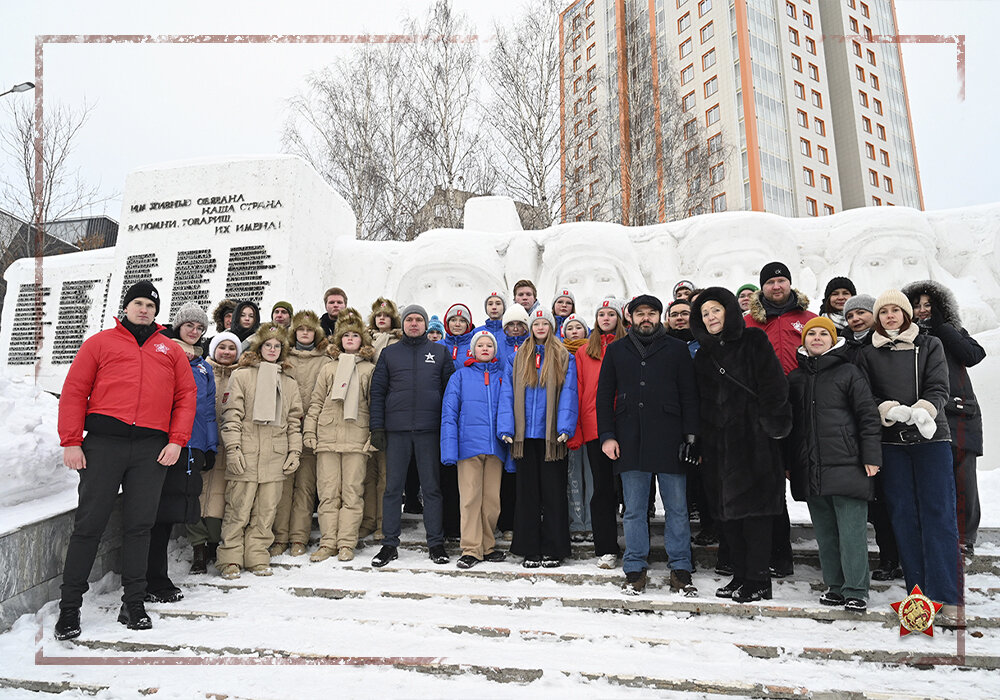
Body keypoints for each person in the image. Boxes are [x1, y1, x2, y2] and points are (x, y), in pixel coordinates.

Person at [55, 281, 197, 640]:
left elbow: (186, 397)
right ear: (126, 306)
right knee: (89, 524)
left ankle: (134, 602)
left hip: (151, 449)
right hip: (104, 445)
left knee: (140, 526)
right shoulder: (100, 343)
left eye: (151, 304)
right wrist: (71, 441)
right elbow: (74, 392)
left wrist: (177, 441)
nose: (144, 309)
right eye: (138, 303)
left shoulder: (170, 350)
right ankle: (69, 608)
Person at [856, 290, 961, 609]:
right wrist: (887, 408)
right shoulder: (866, 353)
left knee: (939, 512)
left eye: (895, 310)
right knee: (903, 514)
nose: (889, 316)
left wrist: (923, 409)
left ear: (906, 314)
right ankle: (918, 591)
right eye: (883, 311)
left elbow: (940, 386)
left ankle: (945, 591)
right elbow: (865, 394)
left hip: (931, 438)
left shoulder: (930, 344)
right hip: (892, 443)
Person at [690, 287, 792, 604]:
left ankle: (759, 578)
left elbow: (775, 385)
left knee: (755, 515)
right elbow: (701, 403)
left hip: (754, 442)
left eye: (715, 310)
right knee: (727, 515)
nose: (710, 317)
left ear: (730, 311)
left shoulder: (754, 341)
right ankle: (741, 573)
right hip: (719, 445)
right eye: (705, 313)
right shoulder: (703, 356)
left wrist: (770, 427)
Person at [595, 295, 699, 596]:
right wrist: (608, 436)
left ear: (658, 316)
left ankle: (680, 567)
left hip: (670, 438)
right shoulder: (616, 350)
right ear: (630, 317)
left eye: (651, 313)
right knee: (634, 509)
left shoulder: (677, 349)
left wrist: (692, 436)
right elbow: (604, 397)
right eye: (640, 313)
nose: (645, 319)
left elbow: (689, 395)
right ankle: (635, 567)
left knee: (677, 508)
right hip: (629, 439)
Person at [788, 317, 881, 613]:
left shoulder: (848, 372)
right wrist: (791, 463)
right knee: (826, 532)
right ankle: (835, 586)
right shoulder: (796, 378)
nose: (816, 338)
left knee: (852, 531)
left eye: (822, 334)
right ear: (803, 341)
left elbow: (868, 416)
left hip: (848, 464)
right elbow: (791, 427)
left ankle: (856, 589)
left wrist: (871, 456)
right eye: (811, 334)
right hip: (812, 467)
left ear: (833, 340)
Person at [903, 280, 986, 557]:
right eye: (916, 305)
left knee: (963, 480)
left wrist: (943, 328)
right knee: (929, 481)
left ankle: (964, 538)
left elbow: (974, 355)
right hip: (924, 417)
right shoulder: (906, 339)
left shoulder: (951, 332)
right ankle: (935, 535)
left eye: (929, 305)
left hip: (960, 415)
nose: (922, 310)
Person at [369, 304, 456, 567]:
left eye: (419, 319)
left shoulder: (439, 352)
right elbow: (378, 392)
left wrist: (447, 430)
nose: (414, 324)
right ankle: (389, 544)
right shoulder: (389, 353)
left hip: (430, 430)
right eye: (410, 319)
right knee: (393, 488)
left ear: (426, 324)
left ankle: (436, 543)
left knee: (431, 488)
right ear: (403, 324)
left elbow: (450, 394)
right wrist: (377, 427)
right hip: (397, 431)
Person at [745, 261, 816, 578]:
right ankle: (779, 556)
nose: (776, 286)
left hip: (805, 411)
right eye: (770, 282)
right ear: (762, 287)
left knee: (810, 480)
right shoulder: (748, 323)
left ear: (790, 284)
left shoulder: (809, 320)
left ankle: (834, 554)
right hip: (765, 414)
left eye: (781, 280)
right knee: (771, 486)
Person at [217, 325, 304, 579]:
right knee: (238, 509)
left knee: (266, 512)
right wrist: (233, 449)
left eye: (277, 346)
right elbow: (231, 416)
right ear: (259, 347)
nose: (273, 350)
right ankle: (230, 557)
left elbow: (294, 421)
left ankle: (256, 554)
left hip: (275, 455)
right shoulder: (242, 376)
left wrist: (294, 452)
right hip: (247, 451)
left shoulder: (288, 383)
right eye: (268, 345)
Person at [146, 302, 217, 604]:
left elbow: (208, 410)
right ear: (178, 326)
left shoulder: (204, 366)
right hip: (166, 443)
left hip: (192, 447)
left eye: (200, 327)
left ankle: (156, 577)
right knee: (157, 516)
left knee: (172, 513)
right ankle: (153, 579)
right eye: (189, 325)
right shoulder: (162, 354)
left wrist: (210, 447)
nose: (194, 331)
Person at [498, 308, 578, 568]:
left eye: (545, 323)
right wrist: (507, 427)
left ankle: (554, 547)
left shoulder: (564, 355)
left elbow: (569, 392)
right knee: (527, 493)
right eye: (537, 323)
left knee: (554, 493)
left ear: (552, 326)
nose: (541, 327)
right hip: (525, 436)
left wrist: (565, 425)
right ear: (530, 327)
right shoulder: (517, 357)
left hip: (551, 435)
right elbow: (508, 394)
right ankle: (529, 546)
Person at [304, 309, 376, 562]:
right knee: (327, 493)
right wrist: (309, 431)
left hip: (356, 438)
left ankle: (346, 542)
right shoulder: (328, 368)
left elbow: (375, 405)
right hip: (328, 437)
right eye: (346, 335)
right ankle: (327, 542)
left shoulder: (369, 370)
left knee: (352, 493)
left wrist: (372, 437)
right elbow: (316, 402)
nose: (350, 339)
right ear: (339, 339)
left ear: (362, 341)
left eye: (355, 336)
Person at [841, 293, 901, 579]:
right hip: (855, 430)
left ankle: (894, 557)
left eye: (861, 313)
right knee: (874, 501)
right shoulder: (843, 346)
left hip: (886, 425)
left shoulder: (885, 344)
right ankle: (887, 557)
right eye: (850, 316)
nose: (855, 319)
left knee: (887, 499)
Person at [440, 330, 509, 569]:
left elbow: (509, 411)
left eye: (490, 345)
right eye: (481, 345)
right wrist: (449, 448)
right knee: (470, 499)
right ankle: (471, 548)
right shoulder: (460, 377)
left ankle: (487, 546)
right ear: (473, 349)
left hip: (495, 449)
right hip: (468, 447)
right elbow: (449, 414)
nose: (485, 348)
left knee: (491, 501)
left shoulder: (503, 377)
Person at [572, 296, 626, 569]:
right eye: (601, 314)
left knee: (631, 491)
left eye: (611, 314)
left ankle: (637, 546)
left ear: (619, 318)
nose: (606, 318)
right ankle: (606, 547)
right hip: (595, 428)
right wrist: (579, 429)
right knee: (603, 489)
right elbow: (579, 391)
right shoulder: (584, 351)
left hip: (628, 426)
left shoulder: (628, 345)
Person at [271, 310, 330, 557]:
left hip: (312, 430)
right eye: (300, 329)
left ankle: (299, 537)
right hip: (285, 429)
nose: (304, 333)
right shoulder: (283, 357)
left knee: (305, 488)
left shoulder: (326, 360)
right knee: (284, 488)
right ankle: (280, 537)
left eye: (309, 330)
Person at [187, 331, 243, 575]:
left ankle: (213, 543)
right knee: (196, 494)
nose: (227, 352)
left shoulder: (242, 376)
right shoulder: (200, 370)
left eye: (232, 348)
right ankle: (198, 548)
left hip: (227, 444)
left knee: (220, 496)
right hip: (200, 441)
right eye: (222, 347)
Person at [360, 297, 403, 541]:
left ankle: (383, 522)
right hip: (365, 407)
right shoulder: (365, 340)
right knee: (368, 471)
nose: (382, 319)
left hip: (389, 409)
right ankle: (368, 519)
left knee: (387, 473)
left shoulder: (400, 341)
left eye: (386, 315)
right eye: (378, 315)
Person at [496, 303, 531, 538]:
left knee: (524, 472)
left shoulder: (533, 348)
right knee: (505, 472)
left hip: (528, 414)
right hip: (502, 411)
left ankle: (525, 519)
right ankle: (506, 522)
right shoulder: (498, 346)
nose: (516, 328)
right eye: (511, 325)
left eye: (520, 324)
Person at [560, 314, 592, 543]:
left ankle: (592, 522)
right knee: (572, 475)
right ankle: (576, 522)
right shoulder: (559, 354)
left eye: (578, 327)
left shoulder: (593, 352)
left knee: (591, 476)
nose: (573, 331)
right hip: (568, 422)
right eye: (569, 328)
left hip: (590, 421)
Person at [442, 303, 476, 370]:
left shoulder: (475, 347)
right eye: (453, 320)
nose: (457, 324)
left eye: (462, 321)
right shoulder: (437, 346)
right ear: (447, 323)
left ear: (468, 325)